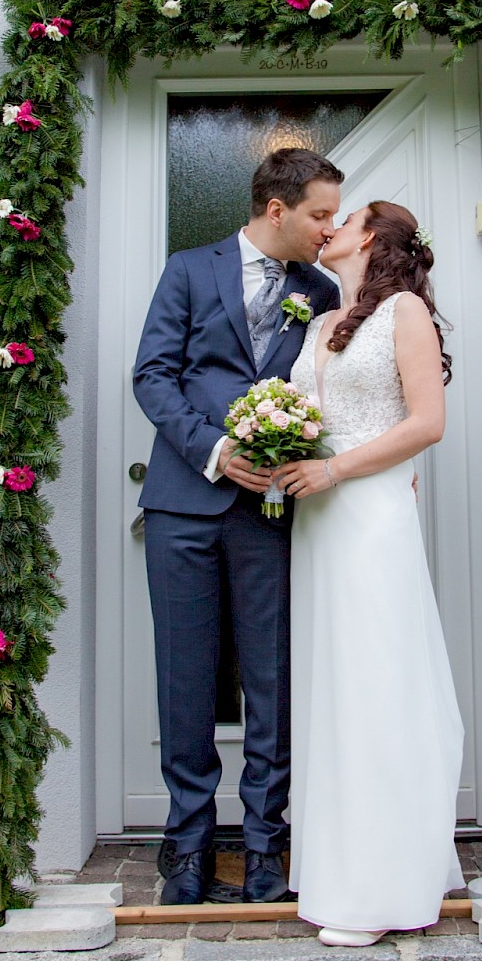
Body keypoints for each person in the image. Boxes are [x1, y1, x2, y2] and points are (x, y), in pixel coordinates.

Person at [133, 148, 342, 904]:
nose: (330, 228)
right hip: (184, 505)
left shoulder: (321, 291)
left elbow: (333, 390)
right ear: (276, 208)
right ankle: (186, 847)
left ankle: (263, 847)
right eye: (320, 214)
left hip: (273, 514)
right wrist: (218, 451)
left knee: (272, 680)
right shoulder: (189, 270)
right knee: (186, 679)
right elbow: (152, 375)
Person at [275, 200, 464, 945]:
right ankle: (343, 868)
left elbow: (426, 422)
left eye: (344, 219)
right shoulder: (323, 323)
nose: (328, 228)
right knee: (334, 691)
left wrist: (337, 469)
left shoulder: (405, 312)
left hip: (369, 514)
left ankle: (381, 889)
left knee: (376, 685)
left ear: (375, 238)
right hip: (320, 522)